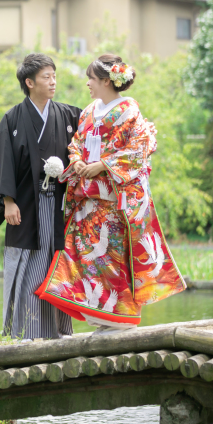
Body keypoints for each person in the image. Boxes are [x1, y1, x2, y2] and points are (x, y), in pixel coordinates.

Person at [36, 54, 186, 336]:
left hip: (112, 200)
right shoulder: (90, 110)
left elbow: (139, 148)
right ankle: (102, 317)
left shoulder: (129, 110)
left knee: (111, 258)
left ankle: (119, 318)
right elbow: (77, 141)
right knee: (86, 257)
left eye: (91, 79)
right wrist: (78, 160)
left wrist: (102, 165)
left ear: (106, 80)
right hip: (87, 199)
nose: (88, 84)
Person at [0, 53, 82, 340]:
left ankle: (59, 332)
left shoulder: (69, 115)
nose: (53, 82)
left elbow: (85, 148)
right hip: (26, 207)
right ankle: (28, 333)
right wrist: (8, 201)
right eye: (46, 77)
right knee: (28, 267)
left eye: (54, 76)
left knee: (58, 265)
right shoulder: (13, 118)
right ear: (29, 82)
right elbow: (2, 161)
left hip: (60, 207)